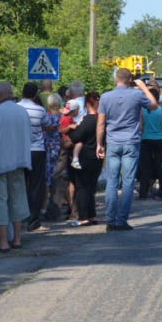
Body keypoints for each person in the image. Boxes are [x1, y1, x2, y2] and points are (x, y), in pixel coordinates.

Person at [96, 68, 159, 231]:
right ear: (130, 80)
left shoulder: (105, 97)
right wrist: (145, 88)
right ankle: (122, 220)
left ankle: (110, 220)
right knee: (128, 182)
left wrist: (99, 144)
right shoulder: (137, 95)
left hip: (112, 143)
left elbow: (101, 124)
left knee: (112, 182)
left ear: (116, 79)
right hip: (131, 142)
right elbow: (154, 105)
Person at [0, 82, 32, 252]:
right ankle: (17, 239)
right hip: (19, 162)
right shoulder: (22, 111)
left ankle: (2, 241)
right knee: (17, 199)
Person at [18, 82, 51, 228]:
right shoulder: (40, 110)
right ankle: (34, 219)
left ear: (22, 92)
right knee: (36, 185)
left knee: (19, 183)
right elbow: (48, 125)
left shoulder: (16, 108)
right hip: (37, 150)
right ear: (35, 94)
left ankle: (18, 217)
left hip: (19, 150)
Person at [67, 92, 101, 227]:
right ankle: (92, 215)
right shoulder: (101, 120)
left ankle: (83, 217)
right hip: (97, 157)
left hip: (85, 157)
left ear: (87, 104)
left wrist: (65, 142)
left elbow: (75, 137)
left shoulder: (87, 121)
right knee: (90, 187)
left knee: (81, 187)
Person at [139, 88, 162, 200]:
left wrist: (148, 128)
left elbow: (140, 127)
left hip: (146, 139)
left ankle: (143, 193)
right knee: (161, 167)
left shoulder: (143, 110)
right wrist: (158, 127)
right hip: (159, 139)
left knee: (145, 168)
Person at [41, 93, 63, 222]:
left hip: (48, 148)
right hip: (61, 147)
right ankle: (64, 204)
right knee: (60, 176)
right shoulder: (63, 118)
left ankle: (44, 206)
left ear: (49, 105)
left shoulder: (47, 119)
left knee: (47, 178)